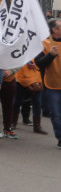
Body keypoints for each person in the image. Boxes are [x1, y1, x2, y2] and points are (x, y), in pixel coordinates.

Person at [35, 18, 61, 148]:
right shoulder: (44, 44)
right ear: (55, 30)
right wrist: (50, 55)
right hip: (52, 85)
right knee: (56, 113)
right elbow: (39, 63)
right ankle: (60, 137)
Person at [12, 59, 46, 134]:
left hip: (35, 80)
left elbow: (43, 62)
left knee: (37, 103)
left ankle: (37, 127)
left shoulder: (39, 50)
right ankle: (13, 123)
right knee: (17, 102)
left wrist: (36, 66)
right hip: (21, 79)